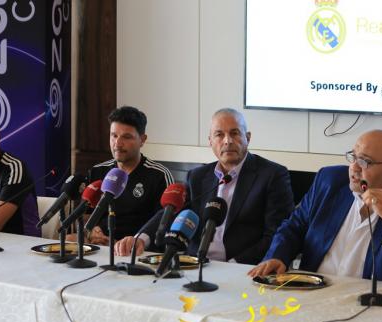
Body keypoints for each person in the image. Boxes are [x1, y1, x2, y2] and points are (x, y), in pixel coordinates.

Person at [248, 129, 382, 287]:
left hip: (370, 306)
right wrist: (278, 256)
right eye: (353, 157)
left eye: (364, 161)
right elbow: (295, 226)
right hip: (312, 292)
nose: (354, 168)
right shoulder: (329, 181)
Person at [114, 107, 295, 265]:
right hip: (195, 265)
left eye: (234, 133)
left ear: (247, 138)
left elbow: (276, 235)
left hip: (243, 268)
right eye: (219, 135)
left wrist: (234, 265)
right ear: (210, 141)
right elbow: (171, 211)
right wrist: (141, 238)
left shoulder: (272, 175)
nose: (227, 141)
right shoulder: (198, 176)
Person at [81, 106, 174, 245]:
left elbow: (164, 224)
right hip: (99, 246)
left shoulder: (159, 175)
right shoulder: (98, 171)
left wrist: (130, 242)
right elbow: (85, 215)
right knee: (69, 240)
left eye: (126, 137)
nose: (118, 143)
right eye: (114, 136)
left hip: (137, 249)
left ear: (142, 140)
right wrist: (92, 231)